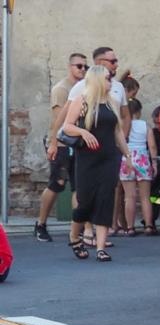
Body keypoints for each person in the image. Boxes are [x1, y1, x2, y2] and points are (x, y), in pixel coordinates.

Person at [61, 65, 130, 262]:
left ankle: (100, 247)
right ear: (99, 80)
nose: (111, 82)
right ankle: (75, 236)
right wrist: (83, 131)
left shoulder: (112, 102)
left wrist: (127, 155)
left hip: (109, 157)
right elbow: (67, 126)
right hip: (87, 158)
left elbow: (117, 132)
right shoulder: (81, 100)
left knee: (105, 199)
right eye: (108, 78)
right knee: (85, 201)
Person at [36, 52, 89, 242]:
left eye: (85, 66)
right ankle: (41, 223)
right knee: (56, 184)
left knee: (78, 187)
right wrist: (53, 144)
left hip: (78, 143)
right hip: (62, 143)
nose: (82, 69)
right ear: (70, 67)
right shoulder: (61, 89)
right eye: (79, 66)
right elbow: (59, 120)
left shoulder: (85, 87)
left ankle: (79, 229)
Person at [119, 97, 158, 234]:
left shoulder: (122, 126)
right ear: (139, 111)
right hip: (142, 158)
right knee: (145, 197)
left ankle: (130, 227)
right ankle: (148, 225)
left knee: (129, 197)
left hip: (127, 157)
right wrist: (154, 162)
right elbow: (152, 146)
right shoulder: (145, 126)